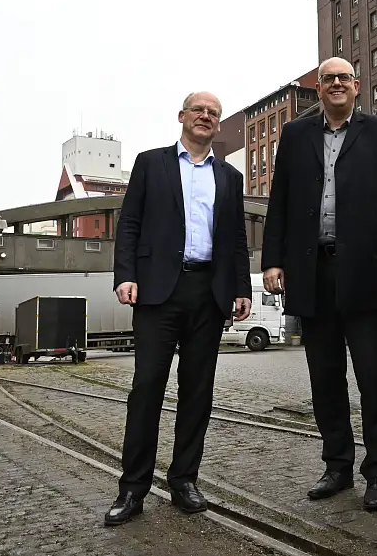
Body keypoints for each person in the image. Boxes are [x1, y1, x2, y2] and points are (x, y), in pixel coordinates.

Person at [262, 57, 377, 511]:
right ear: (319, 88)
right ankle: (337, 466)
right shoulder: (295, 135)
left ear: (357, 86)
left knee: (375, 379)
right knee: (325, 379)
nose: (337, 83)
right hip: (312, 273)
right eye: (329, 79)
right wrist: (272, 260)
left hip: (366, 272)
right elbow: (280, 199)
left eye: (344, 78)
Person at [105, 92, 252, 526]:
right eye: (198, 110)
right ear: (182, 116)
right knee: (147, 387)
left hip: (209, 292)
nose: (206, 116)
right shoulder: (151, 163)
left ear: (218, 124)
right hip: (157, 292)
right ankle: (132, 489)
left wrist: (241, 287)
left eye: (213, 113)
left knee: (197, 392)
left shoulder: (229, 177)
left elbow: (236, 238)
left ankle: (184, 480)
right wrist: (125, 274)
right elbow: (130, 222)